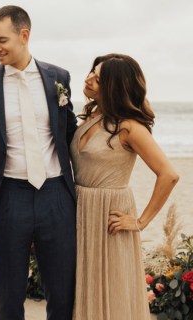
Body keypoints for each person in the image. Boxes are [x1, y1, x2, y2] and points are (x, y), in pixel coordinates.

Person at [0, 5, 77, 320]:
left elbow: (69, 132)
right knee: (9, 292)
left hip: (56, 194)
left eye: (1, 40)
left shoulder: (59, 77)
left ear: (24, 35)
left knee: (61, 290)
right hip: (9, 196)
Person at [71, 53, 180, 319]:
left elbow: (169, 174)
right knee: (83, 289)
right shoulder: (92, 116)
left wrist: (141, 221)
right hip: (80, 209)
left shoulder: (129, 127)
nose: (88, 79)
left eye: (98, 78)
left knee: (112, 289)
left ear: (113, 86)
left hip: (110, 216)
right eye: (91, 73)